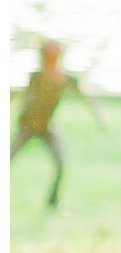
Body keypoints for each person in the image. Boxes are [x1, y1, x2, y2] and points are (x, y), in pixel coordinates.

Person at [10, 38, 99, 214]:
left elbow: (86, 97)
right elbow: (16, 93)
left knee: (61, 163)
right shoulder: (35, 77)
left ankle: (53, 202)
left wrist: (98, 119)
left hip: (47, 128)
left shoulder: (66, 79)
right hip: (27, 126)